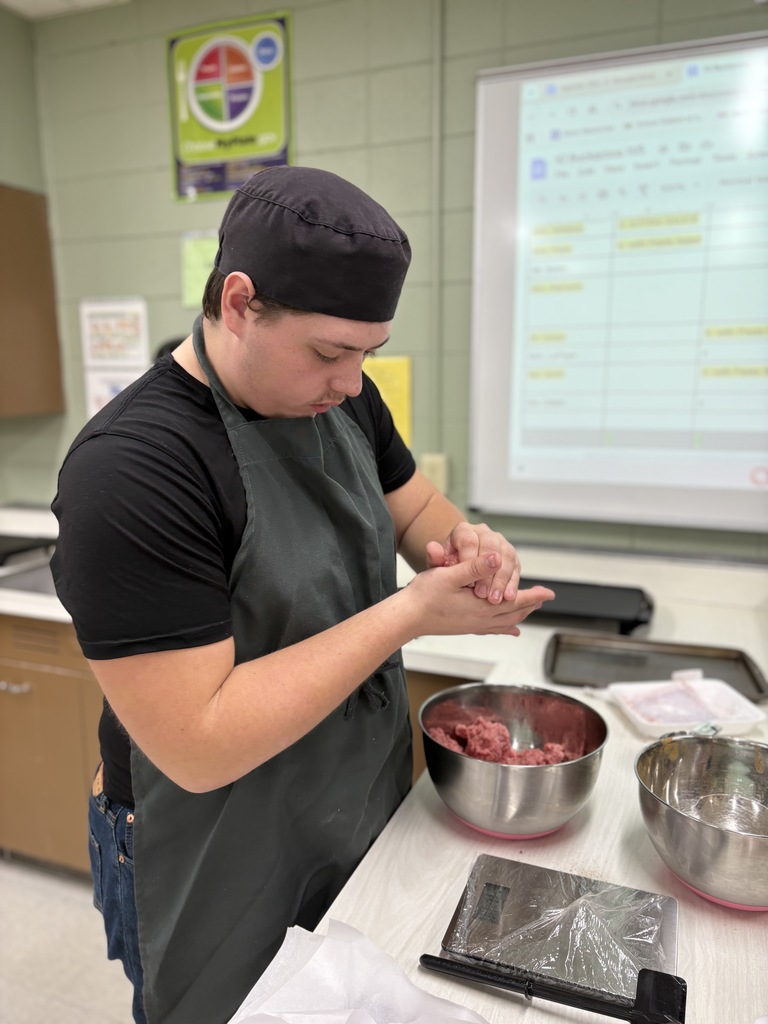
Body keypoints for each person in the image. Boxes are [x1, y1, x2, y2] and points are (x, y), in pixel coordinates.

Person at [51, 166, 554, 1024]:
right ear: (239, 302)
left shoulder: (341, 403)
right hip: (209, 837)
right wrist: (409, 613)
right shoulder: (135, 469)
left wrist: (470, 542)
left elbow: (415, 510)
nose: (352, 382)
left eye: (367, 354)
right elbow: (199, 744)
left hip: (341, 791)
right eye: (329, 353)